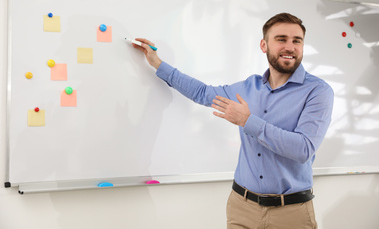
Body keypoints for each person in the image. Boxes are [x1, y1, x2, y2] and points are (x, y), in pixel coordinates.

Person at [131, 13, 334, 229]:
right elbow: (203, 93)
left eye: (297, 41)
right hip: (242, 208)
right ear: (264, 45)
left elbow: (303, 149)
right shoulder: (248, 87)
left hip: (291, 213)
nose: (290, 47)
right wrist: (158, 64)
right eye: (281, 39)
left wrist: (248, 121)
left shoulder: (318, 91)